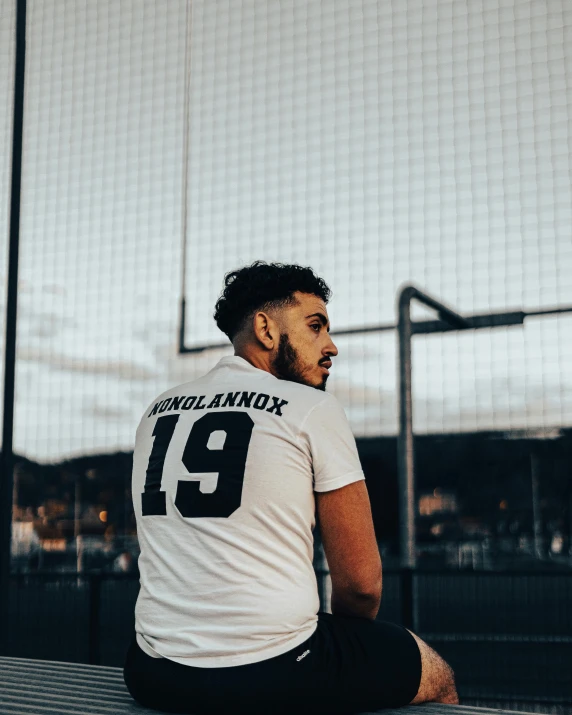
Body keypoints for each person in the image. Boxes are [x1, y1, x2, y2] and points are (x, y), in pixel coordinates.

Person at [123, 261, 458, 714]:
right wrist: (347, 646)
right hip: (273, 671)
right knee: (437, 675)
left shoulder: (155, 412)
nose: (331, 346)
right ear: (265, 328)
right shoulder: (312, 408)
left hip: (151, 672)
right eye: (315, 326)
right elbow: (361, 586)